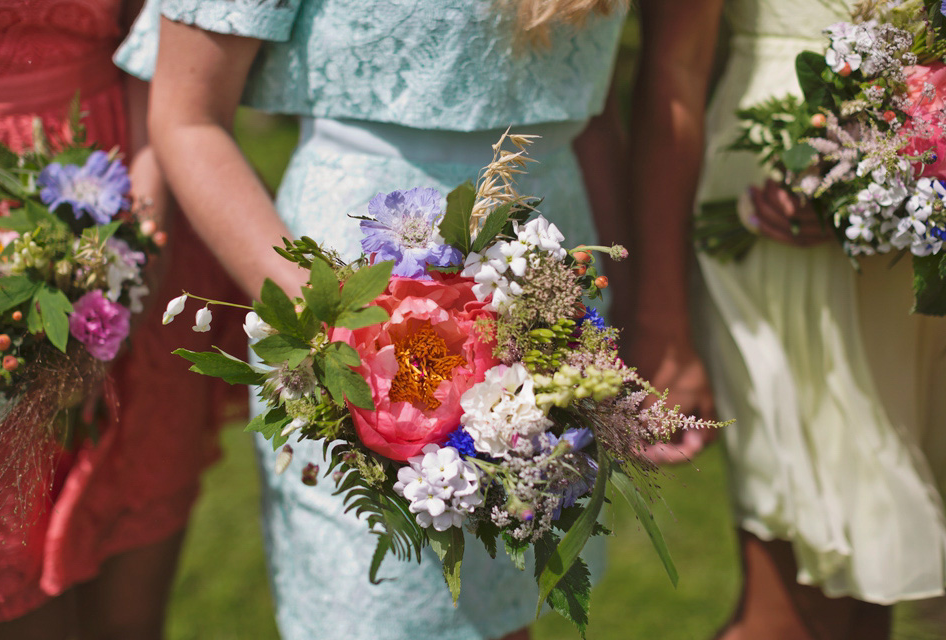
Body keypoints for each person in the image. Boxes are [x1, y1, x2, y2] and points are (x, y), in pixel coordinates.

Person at [115, 0, 723, 637]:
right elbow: (188, 115)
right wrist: (328, 324)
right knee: (377, 605)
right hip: (351, 288)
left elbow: (589, 115)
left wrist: (644, 320)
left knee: (511, 582)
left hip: (542, 280)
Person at [680, 0, 946, 637]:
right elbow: (675, 73)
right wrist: (660, 316)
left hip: (917, 225)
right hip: (774, 206)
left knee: (864, 597)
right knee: (801, 604)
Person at [0, 2, 247, 638]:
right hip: (5, 225)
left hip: (124, 185)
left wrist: (130, 252)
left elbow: (163, 35)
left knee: (129, 611)